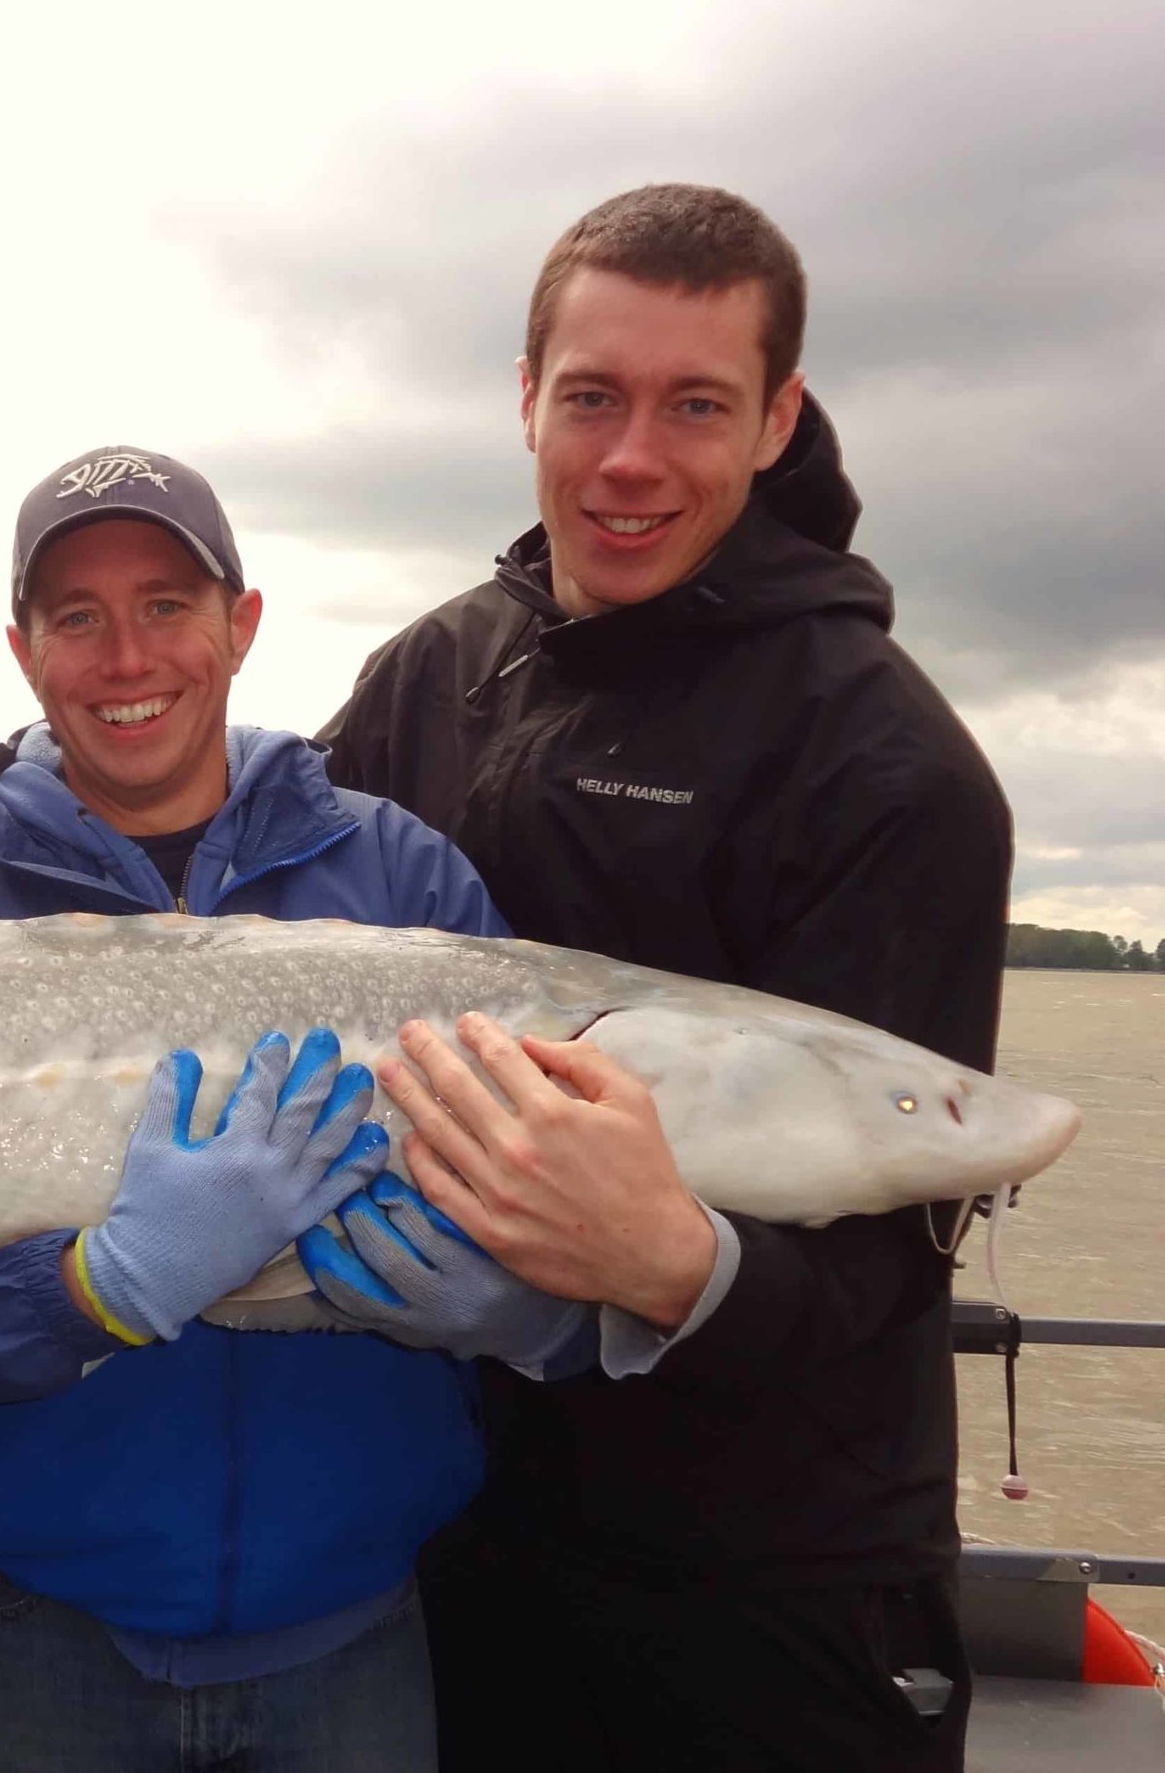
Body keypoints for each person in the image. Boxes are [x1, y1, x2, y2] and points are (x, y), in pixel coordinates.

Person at [315, 182, 1013, 1772]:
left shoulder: (889, 766)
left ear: (777, 420)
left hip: (763, 1592)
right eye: (593, 398)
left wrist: (684, 1262)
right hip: (450, 1534)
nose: (631, 460)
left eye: (696, 405)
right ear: (525, 399)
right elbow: (257, 932)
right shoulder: (432, 674)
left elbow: (893, 1247)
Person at [0, 448, 520, 1773]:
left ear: (241, 624)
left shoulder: (405, 878)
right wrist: (89, 1292)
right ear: (24, 651)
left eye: (166, 604)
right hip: (29, 1635)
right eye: (77, 617)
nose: (124, 654)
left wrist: (501, 1290)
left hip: (354, 1633)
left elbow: (528, 1177)